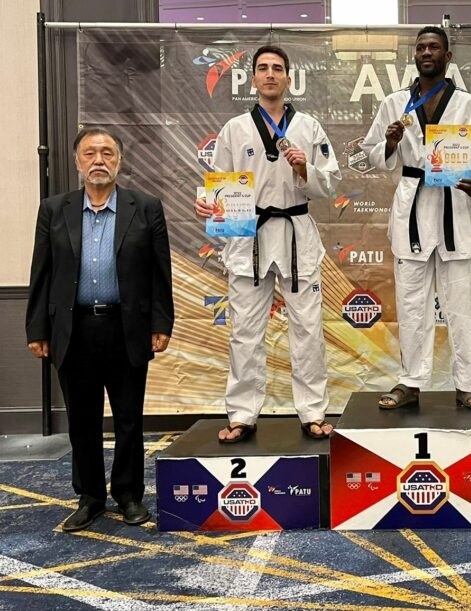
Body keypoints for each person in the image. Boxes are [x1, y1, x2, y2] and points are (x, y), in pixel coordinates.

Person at [26, 127, 174, 532]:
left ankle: (128, 495)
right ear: (77, 161)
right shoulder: (54, 209)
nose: (98, 160)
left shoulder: (145, 208)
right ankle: (90, 497)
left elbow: (160, 273)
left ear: (119, 161)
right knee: (82, 420)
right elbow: (41, 272)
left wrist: (161, 323)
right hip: (73, 330)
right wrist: (37, 329)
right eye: (90, 153)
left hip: (126, 328)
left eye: (107, 153)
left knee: (129, 419)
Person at [194, 45, 341, 442]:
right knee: (244, 330)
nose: (270, 74)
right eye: (263, 68)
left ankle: (313, 411)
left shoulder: (308, 127)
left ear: (289, 78)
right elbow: (219, 182)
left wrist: (304, 167)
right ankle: (242, 414)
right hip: (250, 235)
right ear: (253, 78)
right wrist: (207, 202)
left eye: (277, 68)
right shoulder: (234, 129)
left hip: (296, 232)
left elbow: (330, 182)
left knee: (307, 329)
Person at [360, 26, 471, 410]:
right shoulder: (394, 103)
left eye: (434, 47)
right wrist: (389, 143)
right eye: (420, 47)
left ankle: (467, 383)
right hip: (413, 209)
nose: (426, 52)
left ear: (447, 56)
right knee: (411, 304)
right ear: (415, 55)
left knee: (461, 304)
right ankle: (410, 381)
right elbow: (372, 153)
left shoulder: (469, 105)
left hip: (455, 204)